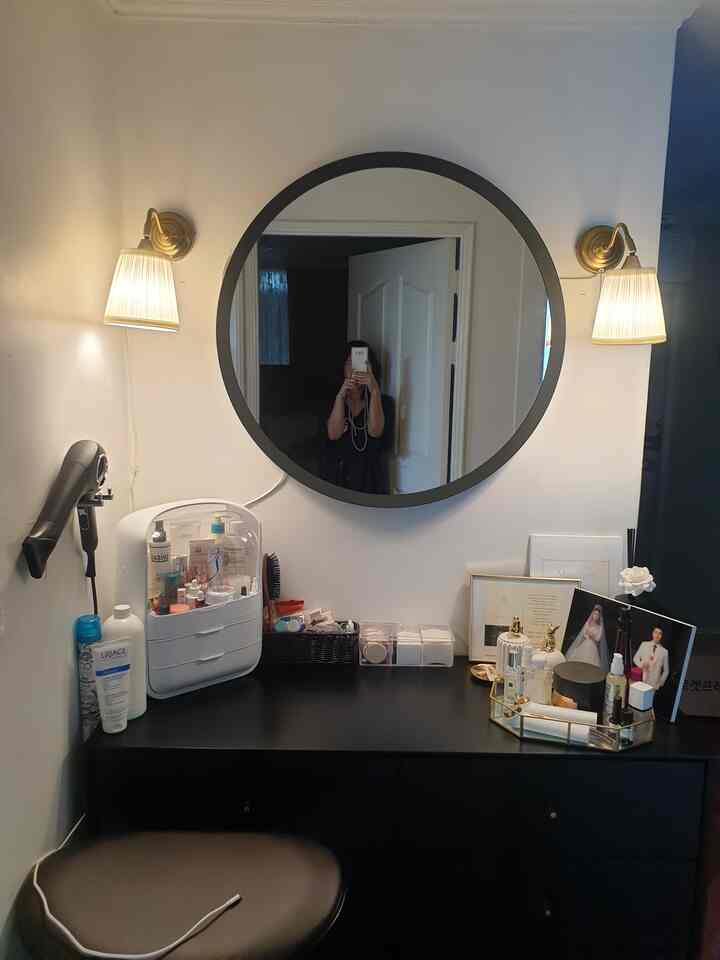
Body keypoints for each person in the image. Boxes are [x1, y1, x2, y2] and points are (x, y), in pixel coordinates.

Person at [323, 341, 393, 494]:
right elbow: (333, 434)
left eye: (360, 362)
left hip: (371, 481)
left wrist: (374, 390)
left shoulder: (384, 402)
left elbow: (375, 431)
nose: (354, 368)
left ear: (370, 368)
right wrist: (341, 396)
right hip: (338, 479)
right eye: (349, 363)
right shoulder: (335, 400)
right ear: (342, 368)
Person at [565, 603, 609, 674]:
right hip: (585, 643)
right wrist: (587, 636)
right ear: (592, 614)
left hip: (593, 646)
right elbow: (584, 633)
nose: (595, 616)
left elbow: (598, 639)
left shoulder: (600, 627)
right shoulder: (588, 623)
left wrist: (592, 636)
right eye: (594, 614)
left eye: (597, 615)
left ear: (599, 617)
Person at [634, 626, 670, 691]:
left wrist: (660, 683)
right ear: (652, 633)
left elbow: (666, 671)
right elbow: (635, 658)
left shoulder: (664, 652)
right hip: (641, 679)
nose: (657, 635)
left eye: (660, 633)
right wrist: (642, 665)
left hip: (653, 685)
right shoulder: (644, 644)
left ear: (662, 636)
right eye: (656, 632)